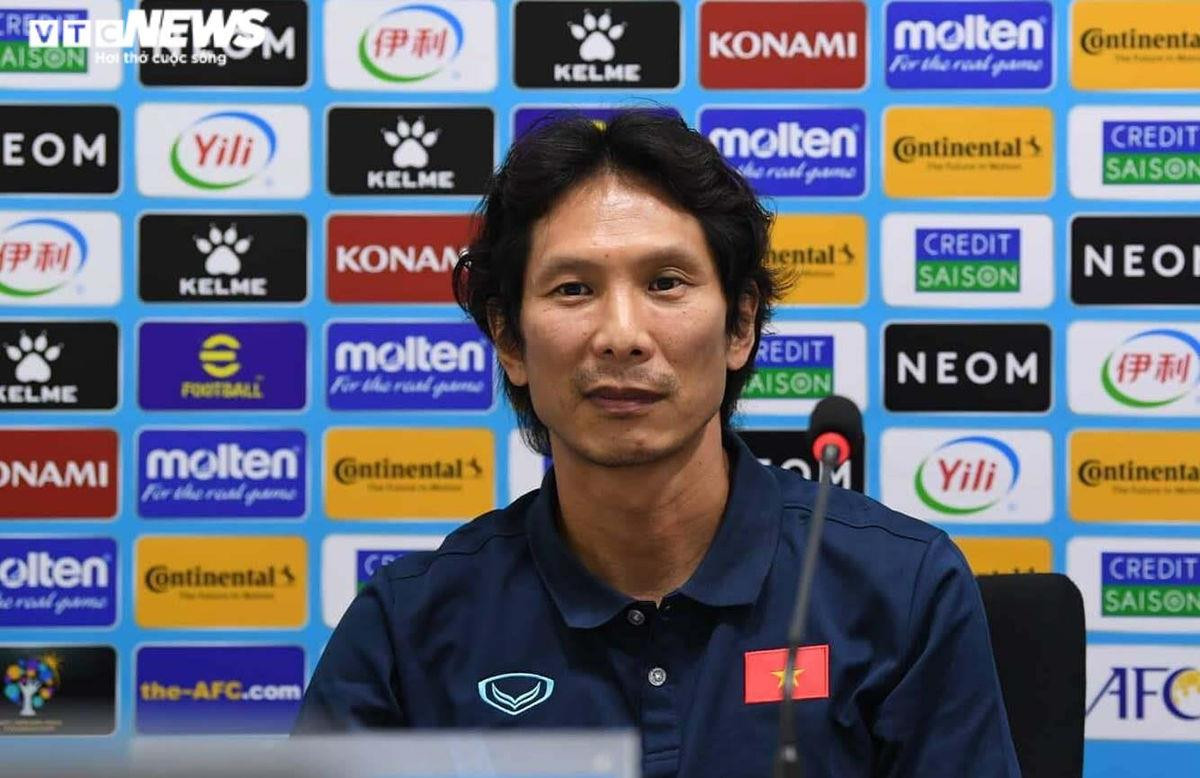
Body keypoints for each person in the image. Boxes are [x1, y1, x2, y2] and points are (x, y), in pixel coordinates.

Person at [293, 111, 1021, 777]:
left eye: (665, 283)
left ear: (740, 326)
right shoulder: (409, 627)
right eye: (573, 289)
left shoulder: (902, 591)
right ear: (510, 340)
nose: (622, 336)